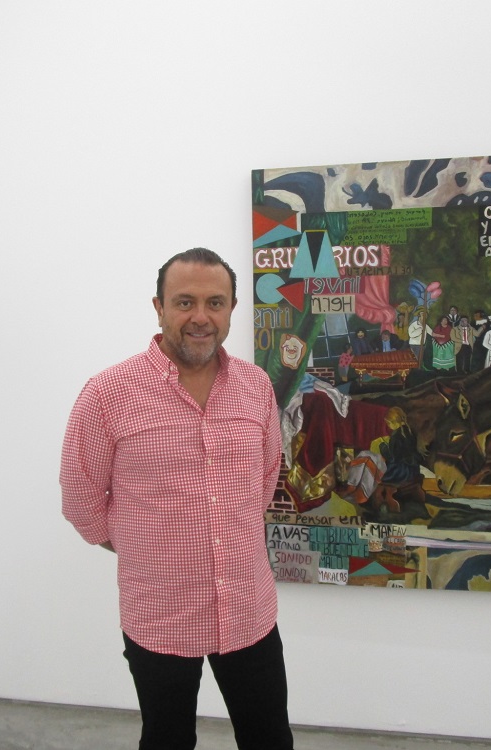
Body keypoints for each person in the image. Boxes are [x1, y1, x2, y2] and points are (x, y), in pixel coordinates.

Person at [61, 248, 294, 750]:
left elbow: (265, 477)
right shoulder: (107, 394)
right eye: (185, 302)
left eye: (215, 303)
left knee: (270, 739)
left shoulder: (255, 387)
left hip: (248, 609)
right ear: (159, 307)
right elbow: (81, 497)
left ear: (232, 309)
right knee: (166, 740)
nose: (200, 317)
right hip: (160, 616)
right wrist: (138, 546)